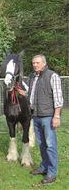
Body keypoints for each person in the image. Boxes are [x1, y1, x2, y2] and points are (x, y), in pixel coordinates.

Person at [18, 55, 63, 184]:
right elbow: (33, 95)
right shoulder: (33, 77)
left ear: (44, 63)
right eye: (33, 63)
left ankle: (52, 173)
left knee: (50, 145)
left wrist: (57, 116)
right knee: (42, 145)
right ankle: (44, 167)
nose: (35, 65)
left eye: (37, 63)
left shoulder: (52, 76)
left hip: (48, 117)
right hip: (36, 116)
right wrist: (24, 94)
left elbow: (58, 98)